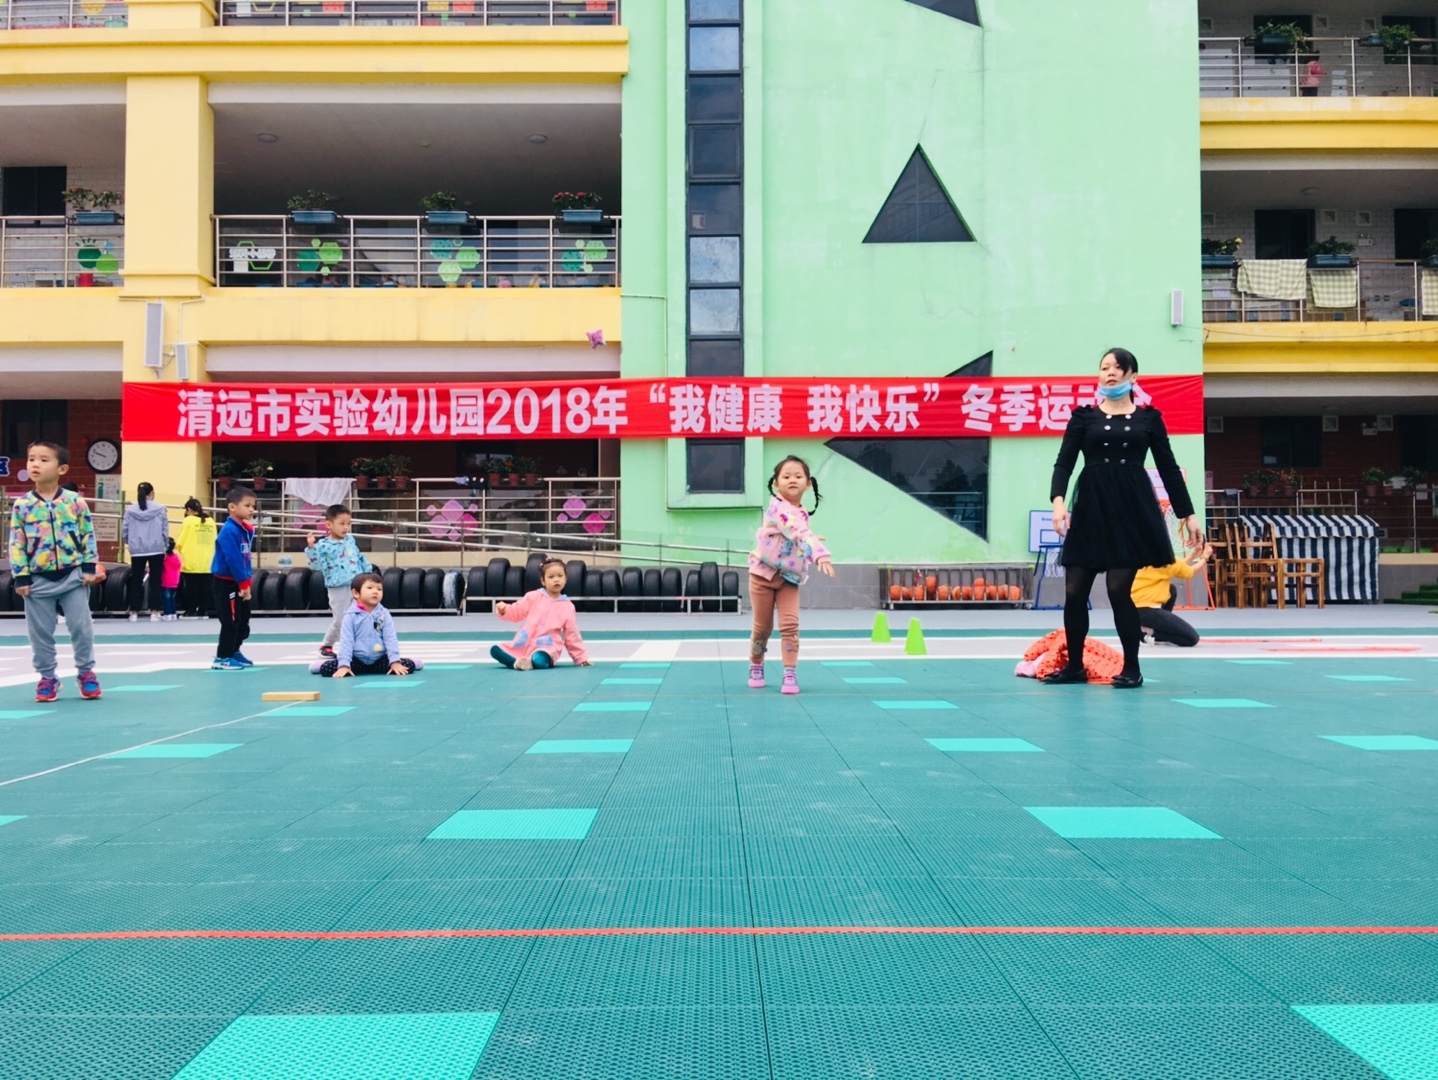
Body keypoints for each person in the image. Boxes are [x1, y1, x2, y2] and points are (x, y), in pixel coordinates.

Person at [1045, 347, 1200, 689]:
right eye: (1105, 367)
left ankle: (1132, 668)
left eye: (1118, 367)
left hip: (1131, 511)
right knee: (1074, 591)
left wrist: (1188, 514)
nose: (1110, 373)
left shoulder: (1149, 419)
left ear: (1132, 376)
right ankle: (1074, 666)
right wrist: (1058, 503)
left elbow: (1168, 469)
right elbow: (1064, 463)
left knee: (1118, 591)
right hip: (1091, 508)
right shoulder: (1083, 418)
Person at [9, 442, 102, 702]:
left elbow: (87, 534)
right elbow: (16, 541)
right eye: (31, 459)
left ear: (62, 469)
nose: (35, 464)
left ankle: (86, 673)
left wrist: (88, 567)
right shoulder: (22, 505)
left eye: (43, 460)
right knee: (40, 632)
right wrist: (21, 575)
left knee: (81, 627)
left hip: (73, 577)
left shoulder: (75, 502)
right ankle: (47, 677)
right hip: (37, 581)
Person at [748, 455, 835, 696]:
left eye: (798, 476)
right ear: (776, 483)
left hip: (789, 579)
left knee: (790, 625)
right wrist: (819, 553)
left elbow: (800, 533)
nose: (792, 480)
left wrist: (811, 541)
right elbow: (796, 530)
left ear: (808, 483)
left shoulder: (802, 513)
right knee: (762, 628)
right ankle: (756, 664)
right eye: (786, 476)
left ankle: (789, 671)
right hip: (762, 576)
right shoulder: (778, 508)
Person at [310, 572, 421, 677]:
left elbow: (390, 638)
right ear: (356, 593)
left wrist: (395, 661)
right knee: (327, 669)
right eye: (370, 588)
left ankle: (411, 662)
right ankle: (321, 665)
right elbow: (346, 641)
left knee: (408, 666)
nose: (375, 591)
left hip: (379, 659)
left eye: (379, 589)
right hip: (356, 660)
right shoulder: (350, 616)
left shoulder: (384, 614)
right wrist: (344, 665)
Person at [490, 557, 590, 670]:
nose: (556, 580)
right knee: (495, 650)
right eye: (551, 577)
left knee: (539, 660)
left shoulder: (568, 606)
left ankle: (529, 662)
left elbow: (572, 634)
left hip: (547, 647)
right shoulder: (533, 596)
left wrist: (581, 658)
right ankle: (517, 663)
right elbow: (517, 611)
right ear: (543, 581)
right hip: (523, 643)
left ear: (566, 579)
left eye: (560, 576)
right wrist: (504, 610)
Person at [305, 504, 372, 659]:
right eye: (341, 524)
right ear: (329, 525)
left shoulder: (350, 540)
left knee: (360, 615)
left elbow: (359, 556)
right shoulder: (323, 546)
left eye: (348, 523)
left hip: (357, 584)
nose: (346, 527)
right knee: (341, 620)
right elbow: (316, 565)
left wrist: (367, 573)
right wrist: (311, 548)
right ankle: (327, 645)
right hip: (337, 587)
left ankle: (358, 646)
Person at [211, 486, 257, 671]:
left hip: (241, 582)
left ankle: (234, 650)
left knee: (243, 619)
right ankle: (223, 656)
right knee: (230, 620)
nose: (251, 510)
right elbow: (234, 560)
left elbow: (246, 559)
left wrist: (247, 582)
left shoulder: (243, 530)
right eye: (247, 505)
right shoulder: (229, 531)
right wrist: (243, 584)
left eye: (253, 506)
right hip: (227, 583)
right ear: (232, 507)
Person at [1133, 543, 1213, 648]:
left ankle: (1156, 632)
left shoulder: (1146, 557)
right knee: (1192, 638)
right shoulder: (1166, 559)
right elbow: (1189, 572)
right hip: (1147, 610)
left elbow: (1177, 567)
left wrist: (1193, 556)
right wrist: (1205, 558)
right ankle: (1147, 631)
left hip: (1133, 609)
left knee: (1171, 589)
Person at [122, 481, 169, 622]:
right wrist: (165, 544)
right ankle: (154, 612)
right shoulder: (160, 509)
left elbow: (125, 529)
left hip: (137, 549)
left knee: (136, 580)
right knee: (156, 581)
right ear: (152, 493)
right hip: (156, 548)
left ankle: (134, 612)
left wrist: (128, 541)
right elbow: (164, 530)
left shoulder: (130, 510)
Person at [176, 497, 216, 619]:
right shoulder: (211, 521)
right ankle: (203, 611)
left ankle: (191, 610)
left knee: (192, 587)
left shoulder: (188, 520)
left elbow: (181, 541)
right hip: (208, 560)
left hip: (192, 559)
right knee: (206, 587)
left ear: (188, 509)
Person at [160, 538, 182, 621]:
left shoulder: (165, 558)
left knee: (166, 598)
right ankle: (173, 613)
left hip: (166, 581)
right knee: (172, 598)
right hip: (175, 581)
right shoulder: (176, 557)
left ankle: (167, 613)